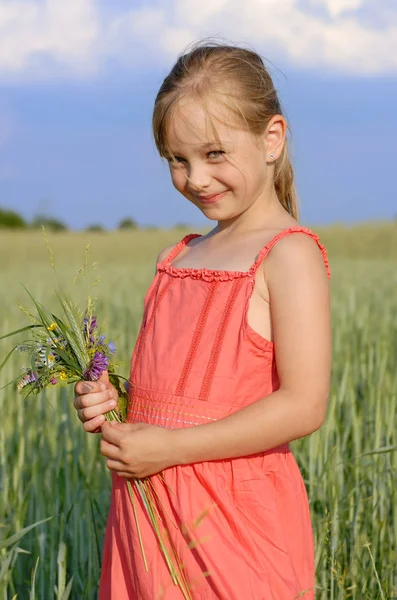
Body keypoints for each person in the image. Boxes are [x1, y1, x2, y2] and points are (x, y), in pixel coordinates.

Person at [73, 41, 331, 600]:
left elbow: (304, 403)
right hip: (148, 512)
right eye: (177, 159)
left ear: (272, 139)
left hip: (236, 521)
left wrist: (170, 449)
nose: (196, 178)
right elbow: (164, 397)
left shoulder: (288, 254)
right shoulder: (179, 258)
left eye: (215, 154)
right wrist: (111, 402)